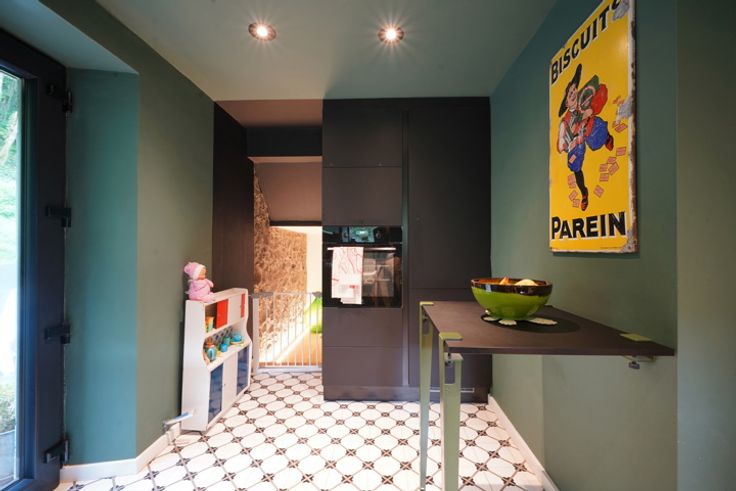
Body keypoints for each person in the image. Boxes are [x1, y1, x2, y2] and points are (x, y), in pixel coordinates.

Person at [557, 63, 614, 211]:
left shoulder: (585, 96)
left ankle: (607, 137)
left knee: (598, 135)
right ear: (567, 102)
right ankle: (584, 192)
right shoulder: (566, 121)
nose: (573, 93)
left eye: (573, 90)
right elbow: (561, 142)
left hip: (591, 128)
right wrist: (566, 143)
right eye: (570, 93)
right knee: (575, 165)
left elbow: (602, 90)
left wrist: (591, 110)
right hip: (577, 142)